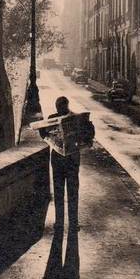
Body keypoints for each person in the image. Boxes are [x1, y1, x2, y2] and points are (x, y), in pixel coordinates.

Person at [44, 96, 94, 232]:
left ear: (66, 106)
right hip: (66, 159)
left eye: (62, 107)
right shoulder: (52, 118)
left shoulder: (75, 118)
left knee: (65, 191)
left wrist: (87, 129)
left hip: (65, 159)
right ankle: (66, 223)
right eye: (59, 107)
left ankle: (65, 223)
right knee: (67, 192)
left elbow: (89, 133)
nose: (60, 109)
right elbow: (43, 133)